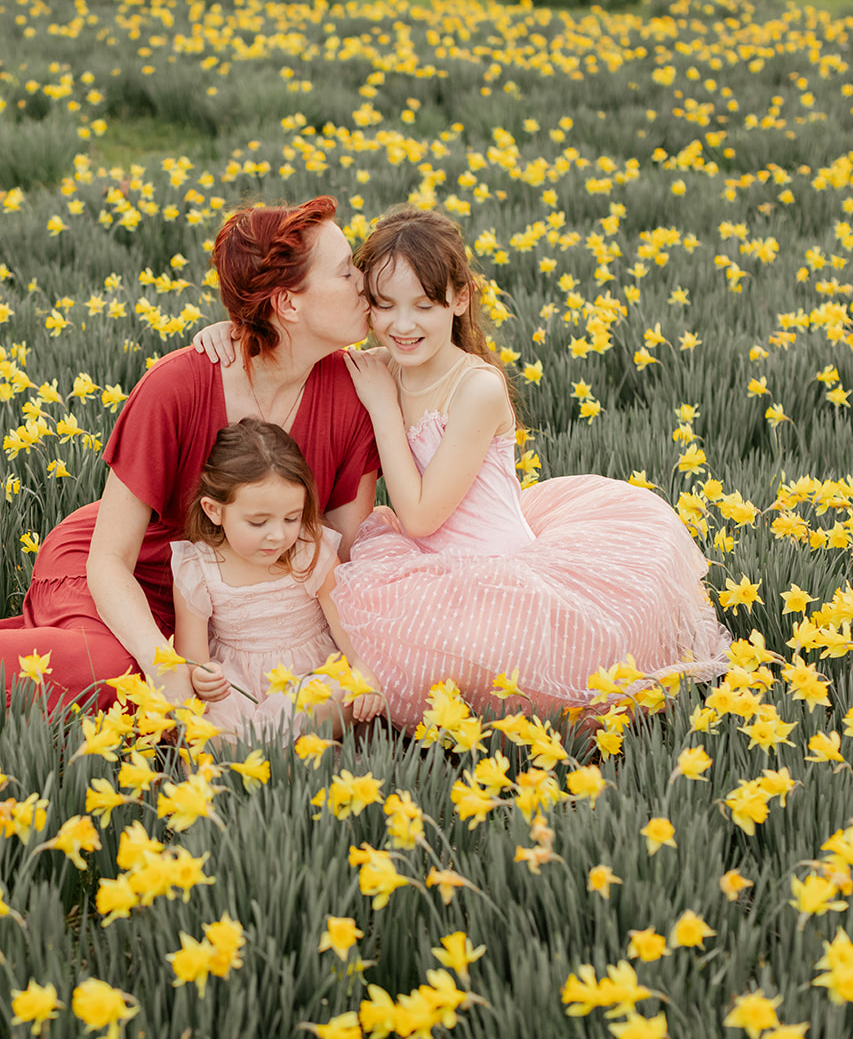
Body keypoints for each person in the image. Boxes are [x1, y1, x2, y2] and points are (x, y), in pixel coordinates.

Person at [0, 196, 379, 712]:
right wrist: (164, 664)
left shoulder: (356, 393)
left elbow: (342, 559)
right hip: (123, 573)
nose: (364, 281)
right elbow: (109, 559)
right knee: (115, 676)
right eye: (346, 270)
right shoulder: (179, 386)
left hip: (230, 601)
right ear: (287, 303)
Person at [195, 207, 729, 728]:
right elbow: (290, 338)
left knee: (511, 688)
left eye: (423, 306)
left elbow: (420, 517)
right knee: (369, 653)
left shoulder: (477, 388)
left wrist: (382, 408)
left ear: (459, 298)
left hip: (499, 574)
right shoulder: (381, 365)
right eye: (383, 305)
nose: (402, 325)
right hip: (425, 571)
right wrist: (234, 328)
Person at [171, 418, 387, 742]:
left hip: (309, 676)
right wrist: (204, 677)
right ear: (214, 510)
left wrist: (362, 669)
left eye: (291, 518)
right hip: (236, 686)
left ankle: (268, 752)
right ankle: (279, 751)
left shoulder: (310, 551)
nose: (277, 535)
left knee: (341, 696)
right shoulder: (198, 567)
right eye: (258, 522)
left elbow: (347, 628)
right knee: (204, 726)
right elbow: (192, 658)